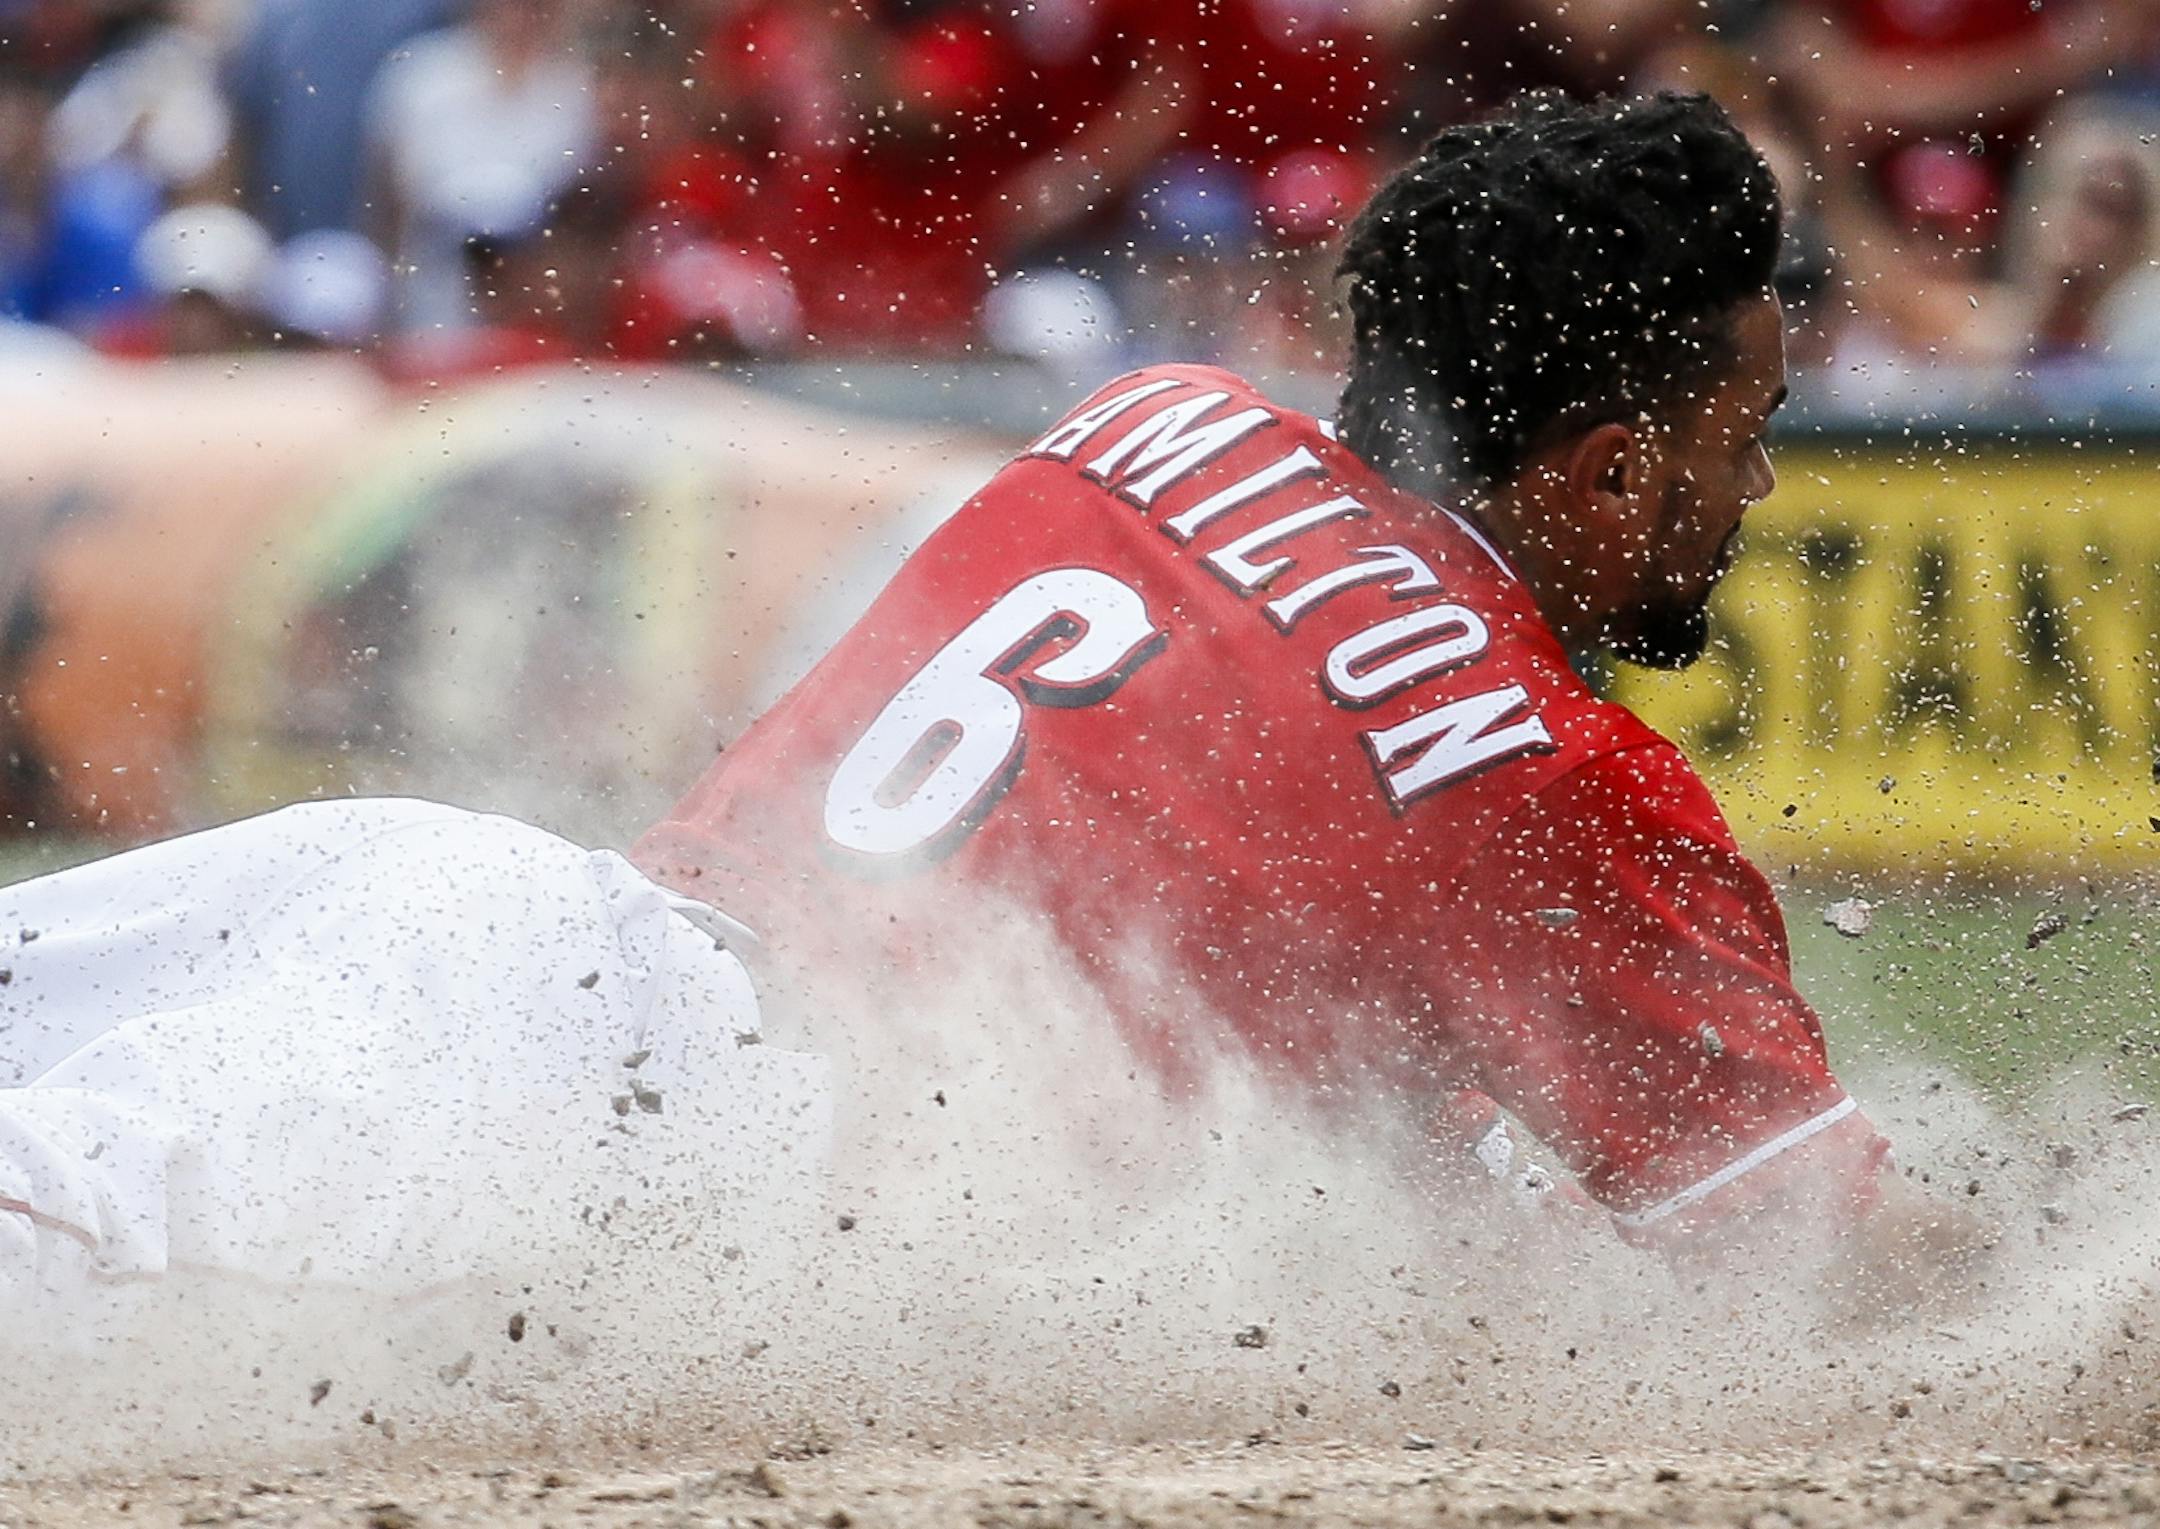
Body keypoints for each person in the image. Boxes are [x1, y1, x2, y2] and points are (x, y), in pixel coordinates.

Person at [0, 91, 1942, 1309]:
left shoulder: (1168, 420)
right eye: (1741, 431)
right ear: (1605, 470)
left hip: (477, 914)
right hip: (598, 1153)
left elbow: (1246, 873)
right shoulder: (1559, 782)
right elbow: (1828, 1267)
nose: (1754, 487)